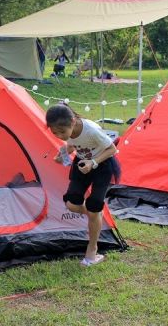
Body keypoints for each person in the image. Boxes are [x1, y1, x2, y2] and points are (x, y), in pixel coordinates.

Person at [46, 104, 119, 266]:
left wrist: (92, 162)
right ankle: (95, 215)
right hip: (82, 163)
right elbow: (72, 144)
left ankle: (92, 250)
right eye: (54, 133)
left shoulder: (91, 130)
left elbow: (112, 149)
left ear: (73, 122)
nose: (60, 136)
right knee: (72, 203)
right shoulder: (69, 131)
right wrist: (64, 154)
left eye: (62, 132)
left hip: (102, 163)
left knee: (94, 205)